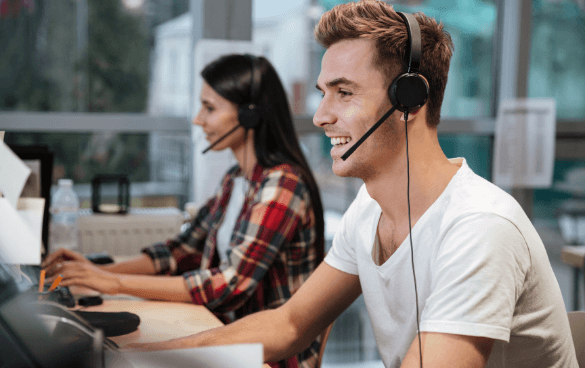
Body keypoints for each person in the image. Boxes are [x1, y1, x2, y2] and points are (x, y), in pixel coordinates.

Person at [120, 2, 578, 367]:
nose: (321, 116)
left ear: (409, 99)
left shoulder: (479, 228)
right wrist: (141, 358)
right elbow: (289, 325)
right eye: (323, 93)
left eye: (344, 93)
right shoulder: (370, 207)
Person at [42, 54, 325, 368]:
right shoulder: (236, 180)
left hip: (271, 359)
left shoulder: (282, 186)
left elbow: (228, 286)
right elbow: (179, 251)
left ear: (249, 116)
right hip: (225, 334)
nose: (197, 119)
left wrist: (110, 283)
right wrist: (96, 273)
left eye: (209, 108)